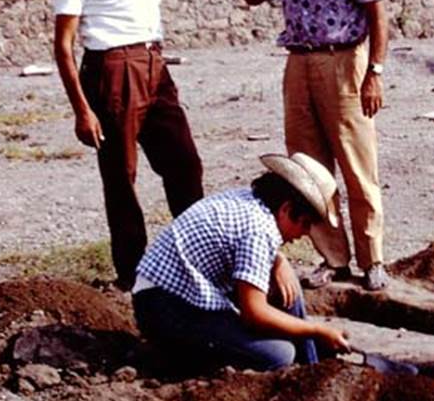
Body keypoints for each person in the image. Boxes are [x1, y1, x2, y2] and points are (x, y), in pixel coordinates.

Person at [210, 0, 389, 291]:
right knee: (309, 169)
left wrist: (374, 73)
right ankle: (334, 259)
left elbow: (379, 16)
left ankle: (373, 259)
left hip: (344, 63)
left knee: (357, 165)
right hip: (299, 65)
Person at [52, 0, 203, 291]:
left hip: (155, 62)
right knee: (122, 177)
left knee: (184, 162)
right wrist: (82, 110)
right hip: (111, 69)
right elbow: (63, 46)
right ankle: (134, 277)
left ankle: (199, 259)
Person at [132, 153, 351, 372]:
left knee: (288, 286)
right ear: (285, 209)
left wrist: (278, 259)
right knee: (279, 354)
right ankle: (170, 359)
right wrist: (316, 330)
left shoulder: (253, 201)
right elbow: (254, 313)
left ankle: (310, 366)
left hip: (182, 291)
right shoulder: (258, 231)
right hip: (163, 306)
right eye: (304, 224)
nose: (304, 234)